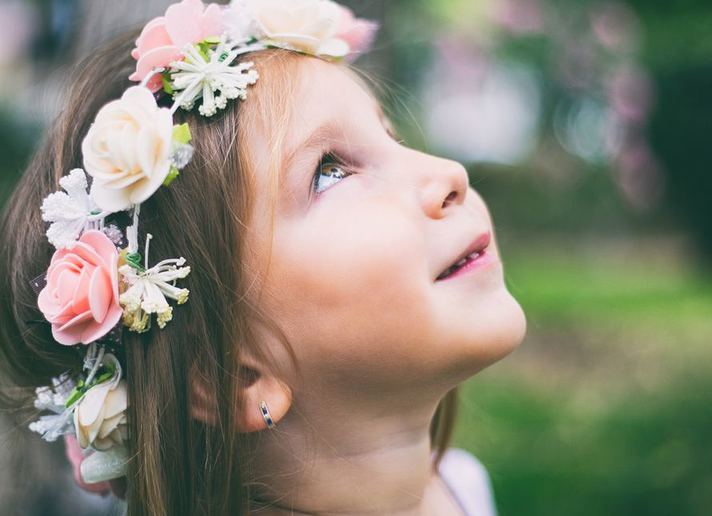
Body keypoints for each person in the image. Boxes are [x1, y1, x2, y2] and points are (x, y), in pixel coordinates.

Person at [0, 1, 527, 515]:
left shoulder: (462, 485)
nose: (448, 173)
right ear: (232, 375)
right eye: (329, 172)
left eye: (392, 136)